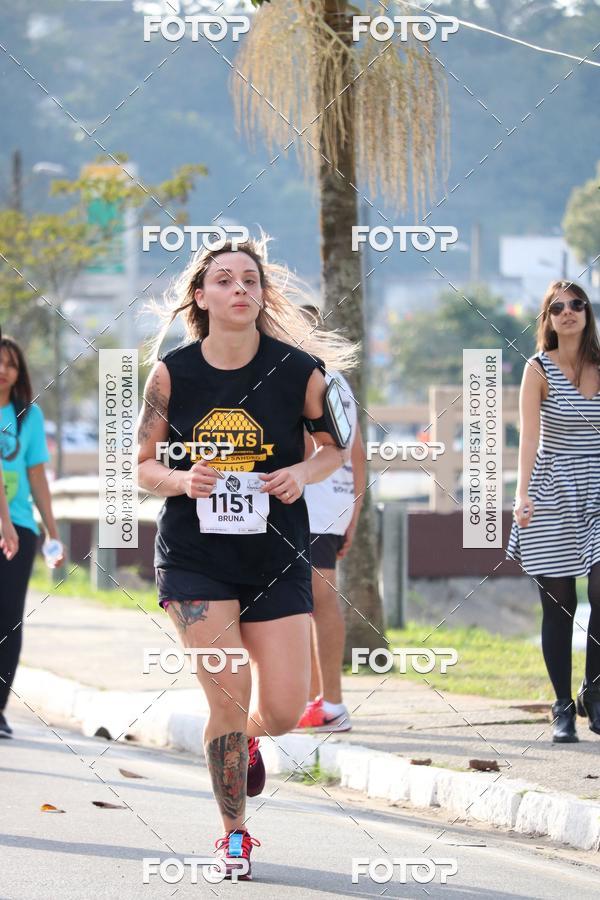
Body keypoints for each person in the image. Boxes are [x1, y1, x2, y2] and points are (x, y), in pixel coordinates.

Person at [137, 237, 357, 880]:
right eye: (225, 280)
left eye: (250, 280)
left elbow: (333, 449)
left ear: (262, 294)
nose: (240, 290)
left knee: (285, 710)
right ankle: (234, 834)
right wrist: (183, 481)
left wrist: (300, 473)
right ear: (201, 298)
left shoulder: (299, 370)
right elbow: (141, 466)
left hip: (276, 556)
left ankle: (246, 739)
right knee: (227, 699)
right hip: (195, 559)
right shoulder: (171, 374)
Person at [507, 280, 600, 743]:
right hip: (551, 489)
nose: (568, 312)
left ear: (587, 313)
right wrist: (521, 495)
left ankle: (595, 692)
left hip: (598, 487)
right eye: (558, 307)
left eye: (576, 304)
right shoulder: (537, 369)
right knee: (559, 603)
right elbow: (528, 438)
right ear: (548, 318)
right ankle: (562, 705)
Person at [294, 305, 366, 733]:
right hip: (331, 506)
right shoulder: (338, 382)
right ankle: (315, 701)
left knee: (316, 602)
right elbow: (356, 454)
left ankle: (332, 704)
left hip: (312, 503)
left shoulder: (310, 379)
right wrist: (354, 514)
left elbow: (304, 450)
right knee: (308, 603)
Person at [0, 334, 65, 738]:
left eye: (11, 363)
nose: (4, 369)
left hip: (19, 529)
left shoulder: (28, 416)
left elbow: (36, 476)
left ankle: (0, 706)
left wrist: (51, 534)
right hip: (6, 526)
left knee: (9, 618)